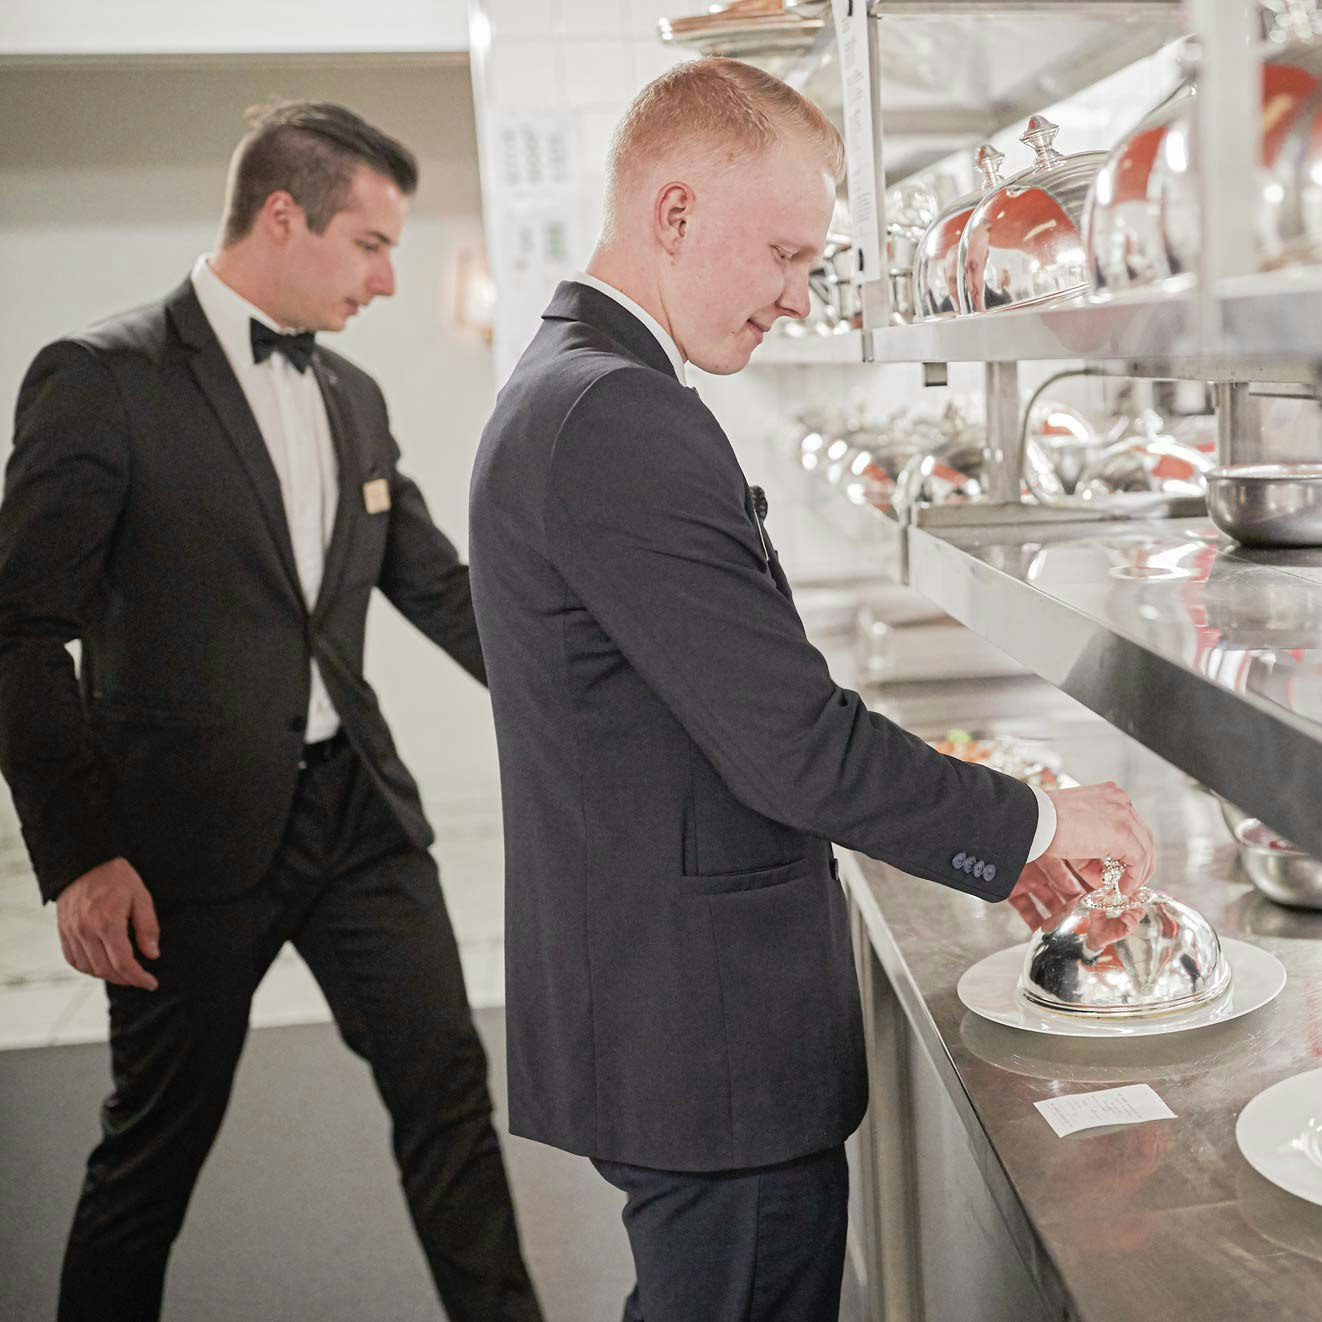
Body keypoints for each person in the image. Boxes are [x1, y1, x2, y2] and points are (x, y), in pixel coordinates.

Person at [468, 57, 1155, 1322]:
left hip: (667, 1007)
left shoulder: (574, 385)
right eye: (784, 254)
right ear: (674, 213)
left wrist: (1003, 832)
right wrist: (1037, 821)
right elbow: (792, 745)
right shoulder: (614, 414)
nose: (796, 296)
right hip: (704, 1032)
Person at [0, 101, 543, 1322]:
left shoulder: (352, 394)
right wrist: (79, 856)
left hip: (356, 817)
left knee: (448, 1094)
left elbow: (436, 586)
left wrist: (587, 702)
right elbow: (21, 632)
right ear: (284, 216)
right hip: (179, 842)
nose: (388, 279)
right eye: (371, 244)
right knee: (152, 1155)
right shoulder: (100, 378)